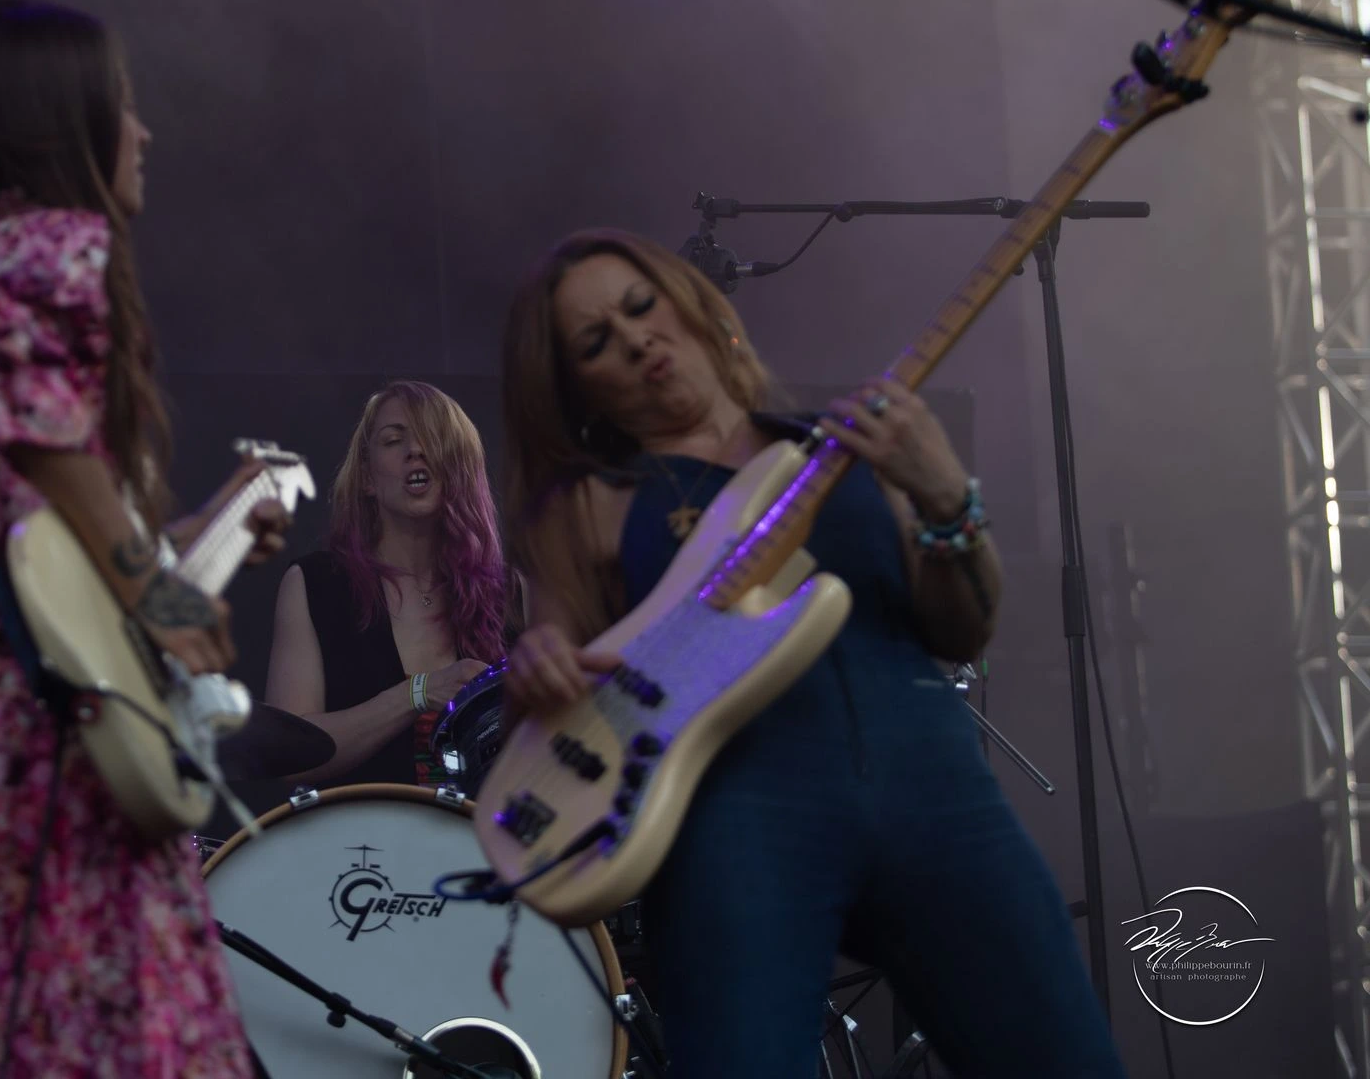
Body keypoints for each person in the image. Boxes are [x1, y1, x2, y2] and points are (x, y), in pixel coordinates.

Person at [495, 230, 1126, 1077]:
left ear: (692, 304)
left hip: (935, 790)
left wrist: (947, 498)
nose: (637, 338)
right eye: (596, 342)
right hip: (736, 825)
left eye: (642, 306)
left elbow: (962, 632)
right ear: (577, 392)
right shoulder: (588, 508)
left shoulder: (844, 449)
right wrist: (538, 667)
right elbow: (556, 697)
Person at [0, 0, 287, 1079]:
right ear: (62, 122)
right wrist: (163, 593)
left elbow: (37, 538)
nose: (144, 134)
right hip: (55, 739)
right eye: (123, 106)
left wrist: (196, 537)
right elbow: (42, 435)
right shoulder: (44, 244)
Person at [264, 381, 519, 787]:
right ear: (367, 477)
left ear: (459, 464)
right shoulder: (315, 585)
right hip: (363, 829)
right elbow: (285, 754)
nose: (415, 450)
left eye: (431, 437)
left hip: (484, 828)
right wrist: (416, 694)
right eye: (394, 440)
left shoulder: (511, 593)